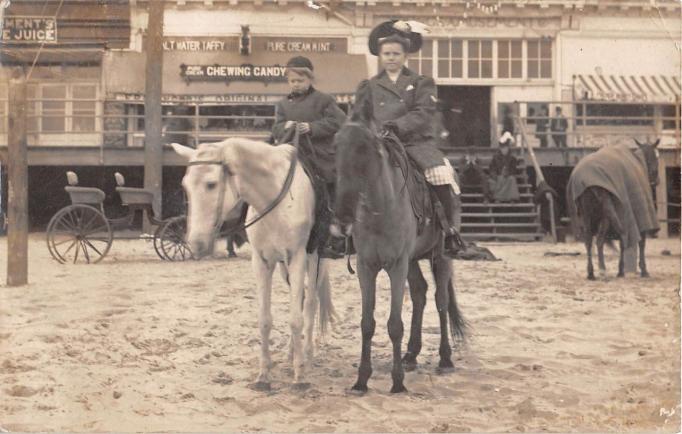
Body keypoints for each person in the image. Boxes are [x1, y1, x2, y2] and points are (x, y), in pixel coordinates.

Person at [353, 20, 464, 257]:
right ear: (380, 56)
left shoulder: (421, 83)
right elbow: (360, 116)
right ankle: (349, 230)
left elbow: (423, 114)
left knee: (440, 174)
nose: (391, 58)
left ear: (405, 56)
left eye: (396, 54)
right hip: (380, 143)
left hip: (416, 143)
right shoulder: (369, 86)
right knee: (352, 174)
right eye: (387, 54)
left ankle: (450, 230)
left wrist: (396, 125)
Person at [271, 56, 347, 258]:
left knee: (326, 183)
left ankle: (331, 230)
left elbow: (339, 121)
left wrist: (312, 127)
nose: (296, 84)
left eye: (300, 80)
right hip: (291, 151)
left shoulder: (324, 100)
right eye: (292, 81)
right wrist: (285, 126)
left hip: (319, 153)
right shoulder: (282, 105)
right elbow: (276, 128)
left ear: (310, 80)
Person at [488, 132, 521, 203]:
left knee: (511, 179)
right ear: (500, 149)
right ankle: (498, 198)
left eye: (505, 148)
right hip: (498, 175)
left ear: (508, 148)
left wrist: (508, 173)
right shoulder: (495, 157)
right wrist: (495, 175)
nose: (504, 150)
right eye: (502, 148)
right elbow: (492, 168)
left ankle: (512, 198)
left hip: (508, 176)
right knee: (499, 179)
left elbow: (513, 169)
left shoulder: (512, 158)